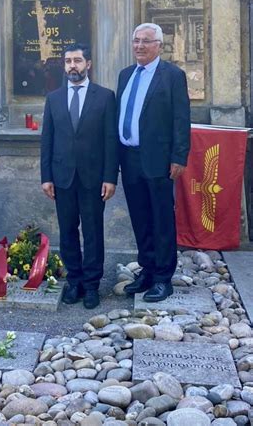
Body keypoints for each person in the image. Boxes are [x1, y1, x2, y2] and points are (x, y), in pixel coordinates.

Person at [40, 43, 118, 309]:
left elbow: (111, 140)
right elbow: (47, 140)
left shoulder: (105, 97)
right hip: (62, 177)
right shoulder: (54, 98)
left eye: (77, 60)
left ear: (88, 64)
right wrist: (46, 177)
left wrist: (110, 177)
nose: (72, 65)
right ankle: (75, 282)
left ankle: (93, 285)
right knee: (68, 232)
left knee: (93, 232)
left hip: (94, 179)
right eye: (68, 61)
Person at [117, 23, 191, 302]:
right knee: (140, 218)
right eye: (136, 41)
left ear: (159, 44)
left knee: (161, 219)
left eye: (146, 41)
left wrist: (178, 156)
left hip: (159, 160)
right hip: (130, 158)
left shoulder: (172, 76)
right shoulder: (125, 75)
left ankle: (163, 278)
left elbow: (181, 119)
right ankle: (146, 270)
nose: (139, 46)